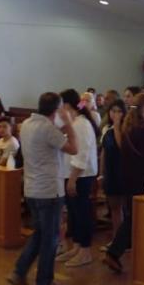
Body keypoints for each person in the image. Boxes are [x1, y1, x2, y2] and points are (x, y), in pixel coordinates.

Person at [7, 92, 77, 285]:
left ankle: (19, 272)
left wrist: (61, 127)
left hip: (32, 189)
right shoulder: (47, 129)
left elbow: (49, 139)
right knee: (51, 238)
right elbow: (74, 148)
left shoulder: (27, 124)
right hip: (49, 191)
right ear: (56, 110)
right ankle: (44, 284)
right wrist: (69, 124)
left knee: (40, 234)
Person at [102, 93, 144, 273]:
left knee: (133, 215)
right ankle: (115, 252)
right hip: (142, 180)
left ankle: (122, 250)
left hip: (128, 178)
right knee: (136, 217)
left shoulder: (128, 127)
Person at [57, 89, 99, 268]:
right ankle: (76, 246)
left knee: (82, 213)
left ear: (67, 105)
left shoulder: (81, 124)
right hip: (70, 173)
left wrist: (73, 179)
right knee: (73, 213)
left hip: (81, 175)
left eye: (60, 106)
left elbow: (82, 154)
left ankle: (85, 251)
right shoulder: (73, 122)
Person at [99, 100, 128, 245]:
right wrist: (101, 173)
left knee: (122, 208)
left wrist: (117, 126)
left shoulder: (125, 129)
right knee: (114, 208)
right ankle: (116, 238)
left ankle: (121, 241)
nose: (115, 114)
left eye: (119, 111)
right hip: (110, 172)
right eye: (113, 111)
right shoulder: (108, 130)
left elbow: (121, 146)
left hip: (121, 172)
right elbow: (104, 152)